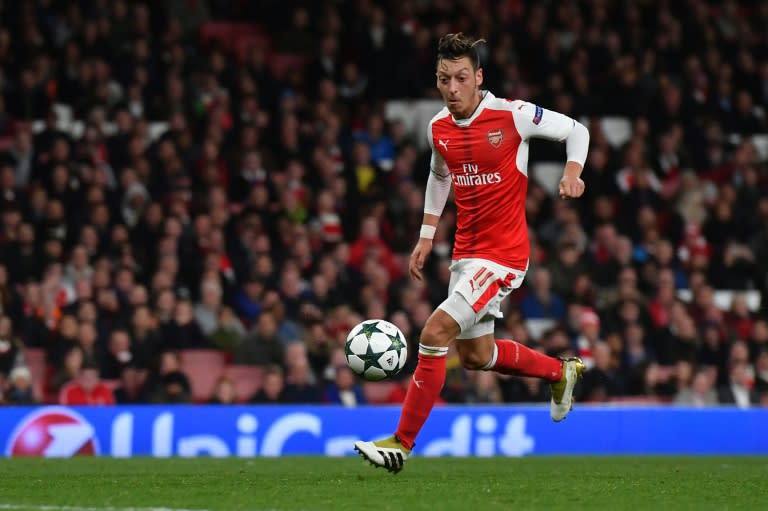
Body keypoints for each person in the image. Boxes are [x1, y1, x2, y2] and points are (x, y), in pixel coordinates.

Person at [354, 33, 590, 473]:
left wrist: (572, 172)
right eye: (445, 79)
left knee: (434, 332)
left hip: (503, 255)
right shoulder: (438, 128)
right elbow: (439, 174)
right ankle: (561, 373)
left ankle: (401, 443)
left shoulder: (512, 115)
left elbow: (577, 131)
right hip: (465, 254)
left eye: (462, 78)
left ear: (479, 77)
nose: (453, 88)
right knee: (479, 356)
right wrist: (426, 235)